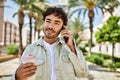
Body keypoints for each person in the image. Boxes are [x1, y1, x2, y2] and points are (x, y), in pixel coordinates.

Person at [11, 6, 88, 80]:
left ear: (63, 27)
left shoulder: (70, 49)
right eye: (48, 21)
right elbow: (20, 75)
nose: (50, 26)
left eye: (56, 23)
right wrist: (17, 76)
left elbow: (83, 73)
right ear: (43, 22)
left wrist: (72, 47)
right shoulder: (30, 49)